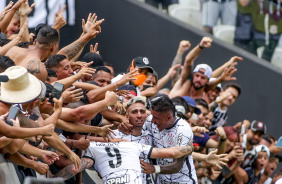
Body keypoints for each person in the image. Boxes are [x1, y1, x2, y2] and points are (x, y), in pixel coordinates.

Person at [53, 140, 194, 183]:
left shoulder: (92, 146)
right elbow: (172, 152)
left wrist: (52, 180)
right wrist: (190, 146)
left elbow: (75, 168)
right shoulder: (134, 144)